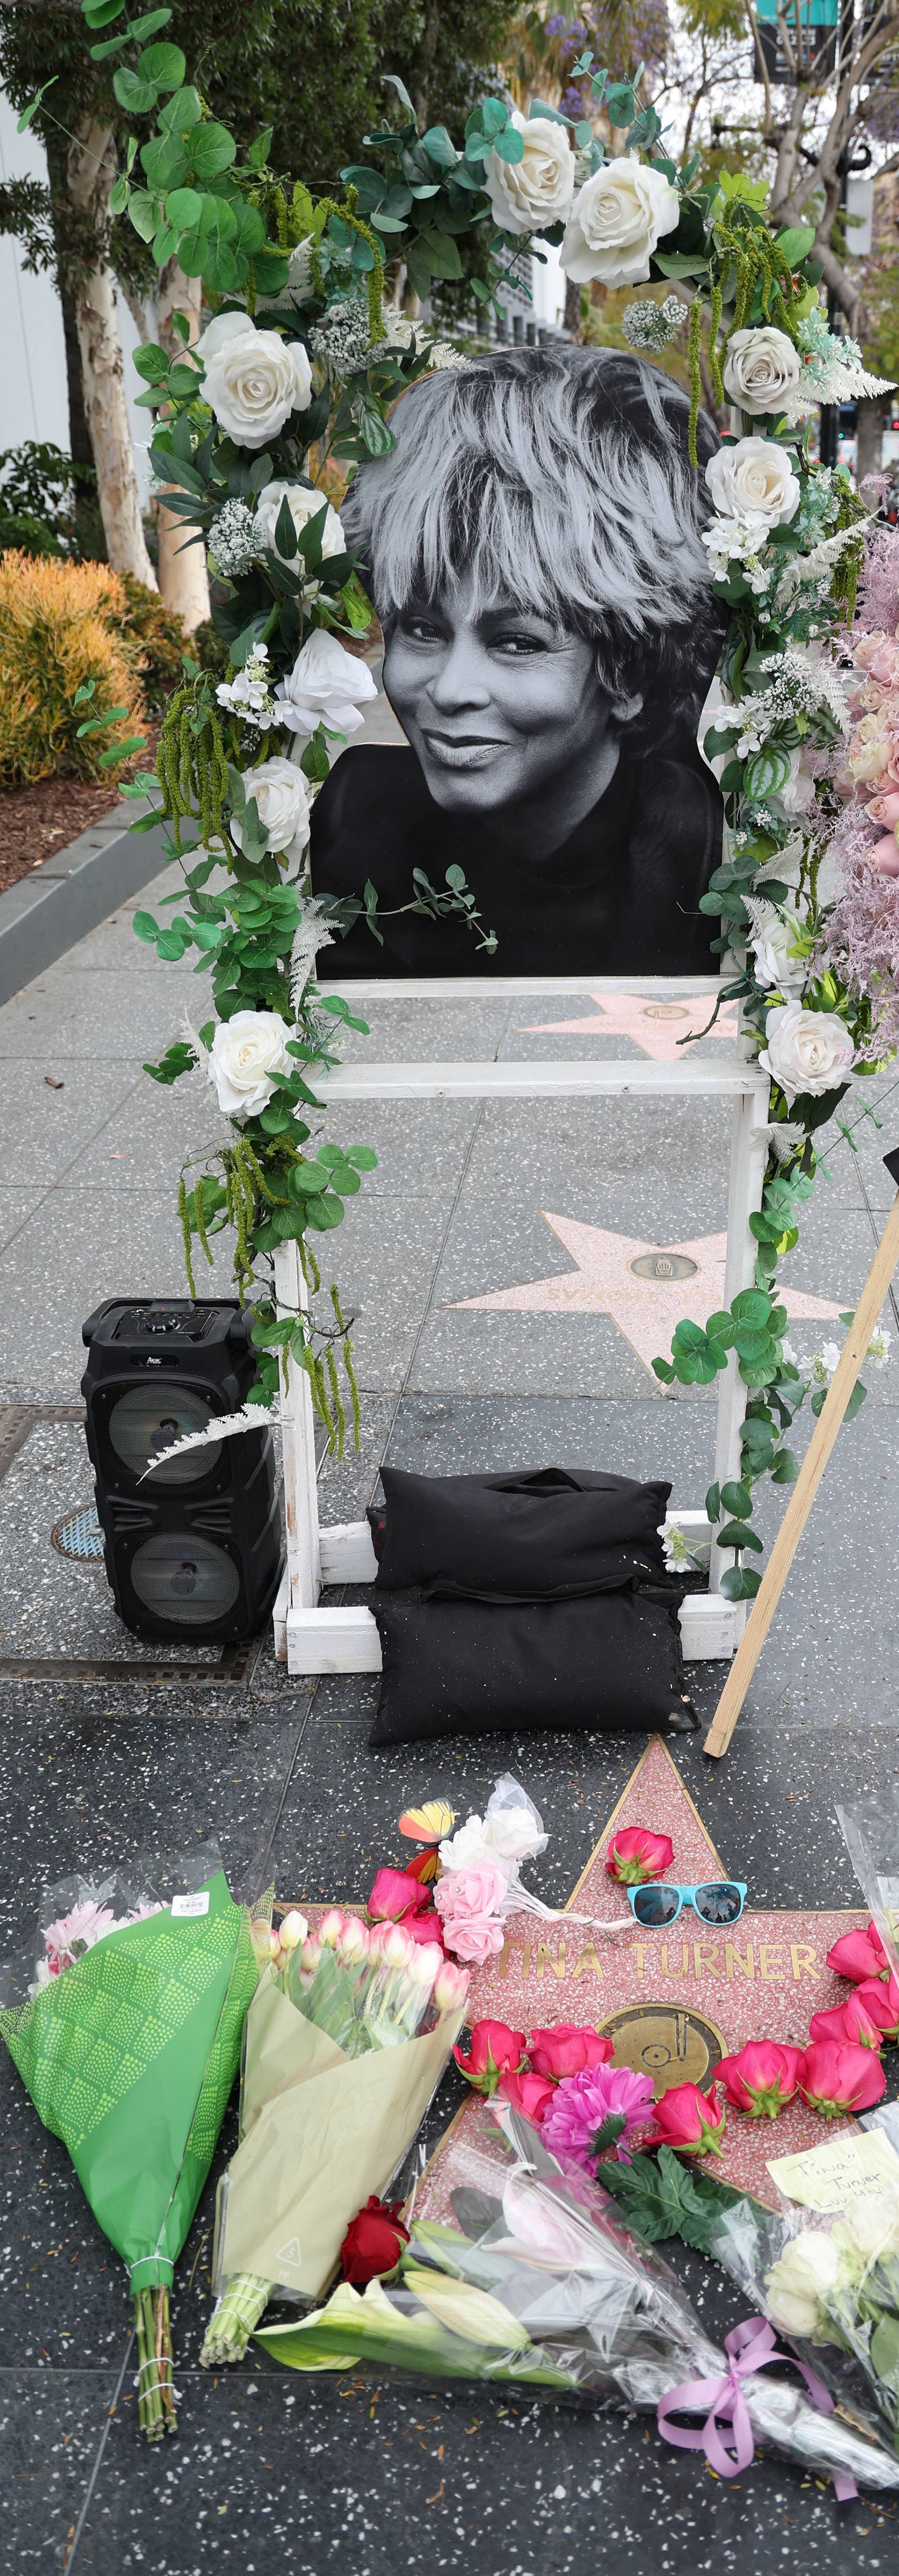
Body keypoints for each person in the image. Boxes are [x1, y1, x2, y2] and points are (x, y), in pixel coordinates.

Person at [309, 344, 726, 978]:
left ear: (632, 668)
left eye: (517, 642)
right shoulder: (356, 822)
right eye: (423, 629)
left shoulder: (696, 868)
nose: (451, 691)